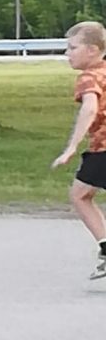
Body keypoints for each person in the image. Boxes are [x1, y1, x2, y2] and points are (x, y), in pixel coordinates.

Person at [52, 21, 106, 280]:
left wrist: (72, 146)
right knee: (83, 192)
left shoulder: (89, 77)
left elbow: (90, 108)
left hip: (103, 149)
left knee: (80, 195)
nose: (68, 53)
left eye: (73, 48)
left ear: (92, 50)